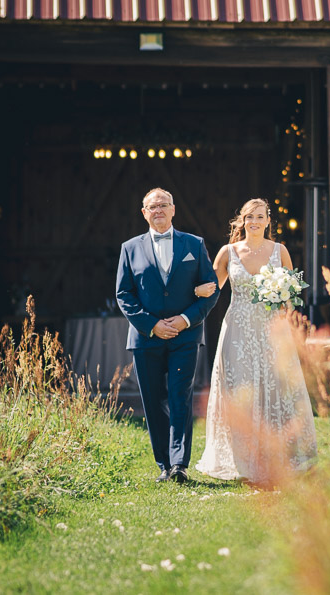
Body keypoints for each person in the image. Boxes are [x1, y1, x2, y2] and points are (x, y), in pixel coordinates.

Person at [196, 198, 318, 483]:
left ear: (267, 221)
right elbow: (213, 288)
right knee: (240, 389)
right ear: (242, 220)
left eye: (260, 216)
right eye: (249, 216)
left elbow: (291, 294)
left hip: (271, 330)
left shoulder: (280, 251)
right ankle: (241, 459)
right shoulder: (228, 252)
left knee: (275, 388)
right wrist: (196, 290)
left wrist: (286, 303)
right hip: (237, 331)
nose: (254, 221)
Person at [115, 187, 221, 483]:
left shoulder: (194, 244)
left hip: (185, 337)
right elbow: (124, 294)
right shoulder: (129, 248)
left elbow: (212, 289)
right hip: (146, 338)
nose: (158, 210)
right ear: (144, 213)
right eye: (153, 206)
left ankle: (179, 464)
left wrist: (186, 320)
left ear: (173, 209)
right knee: (153, 400)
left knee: (180, 397)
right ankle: (163, 463)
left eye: (163, 205)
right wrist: (152, 325)